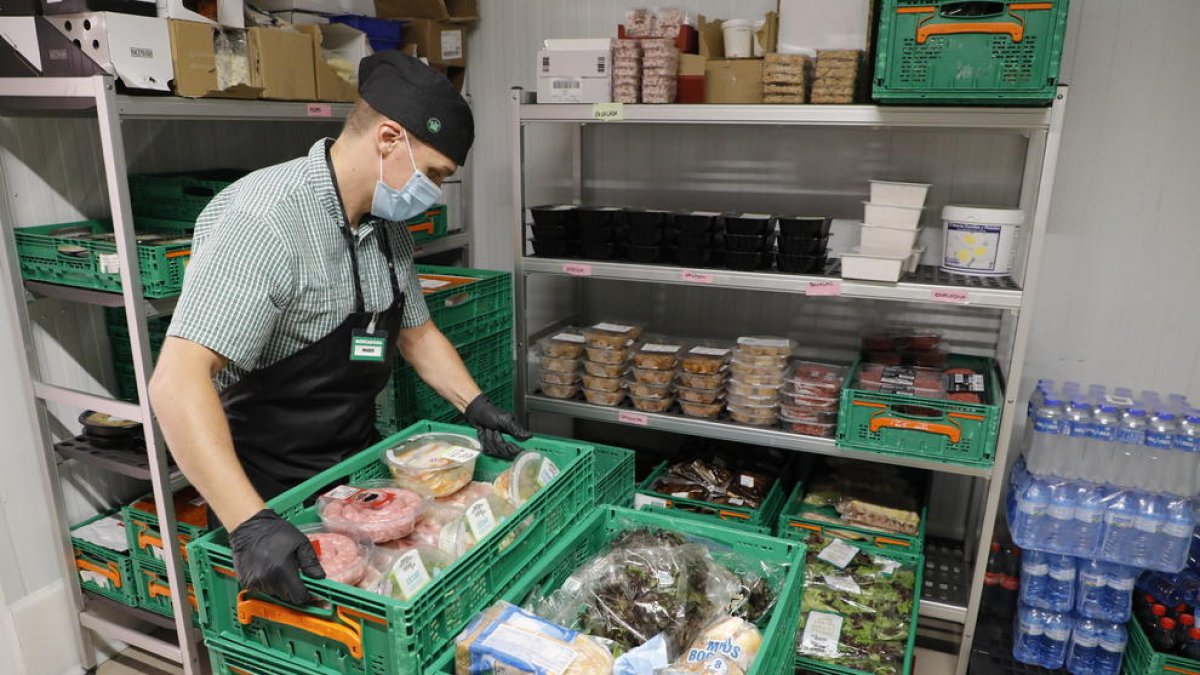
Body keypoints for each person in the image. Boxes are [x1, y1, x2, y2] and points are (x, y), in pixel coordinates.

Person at [148, 52, 528, 605]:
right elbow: (177, 381)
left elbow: (416, 335)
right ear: (389, 138)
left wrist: (474, 404)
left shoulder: (384, 222)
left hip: (356, 469)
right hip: (266, 487)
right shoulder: (266, 220)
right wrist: (250, 523)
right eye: (436, 174)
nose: (436, 192)